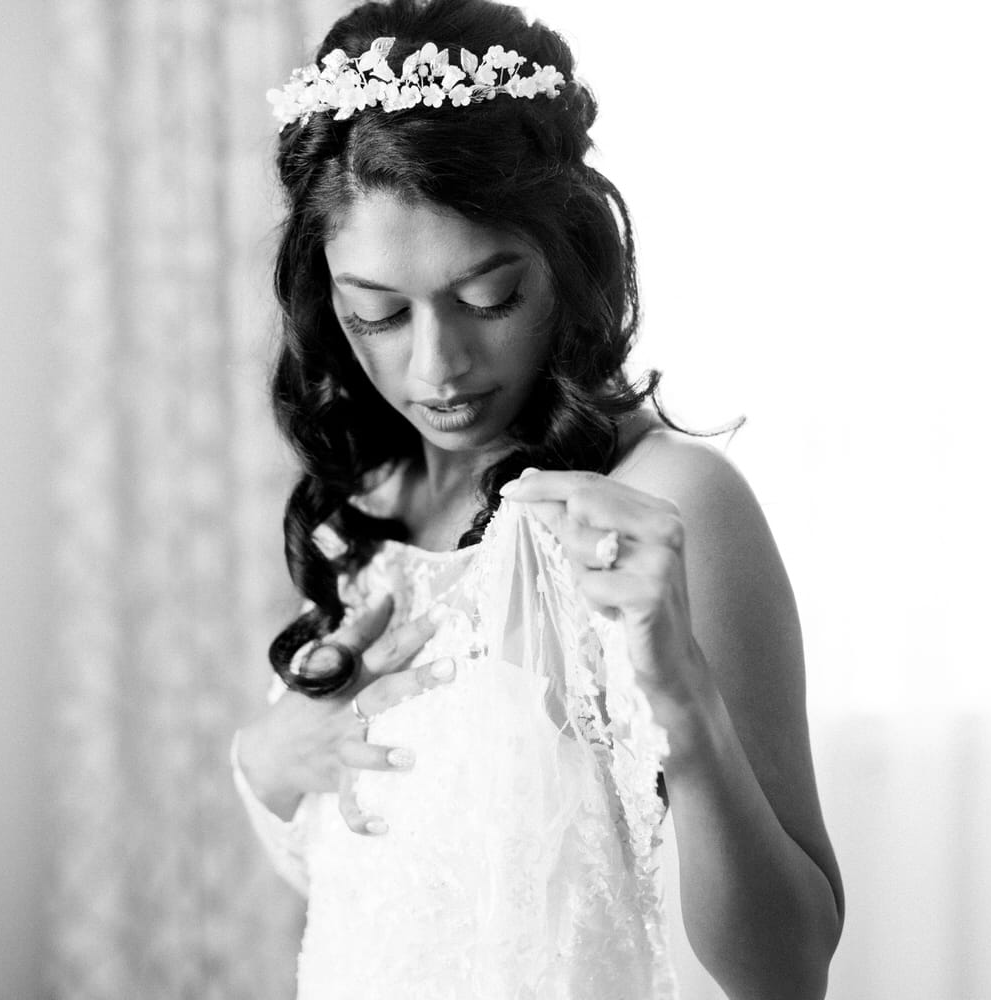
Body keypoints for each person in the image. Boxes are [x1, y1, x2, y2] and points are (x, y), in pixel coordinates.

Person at [232, 1, 843, 997]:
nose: (437, 368)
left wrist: (683, 700)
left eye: (488, 300)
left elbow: (789, 970)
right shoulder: (374, 498)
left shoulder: (672, 504)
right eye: (377, 315)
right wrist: (268, 758)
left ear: (569, 263)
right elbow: (368, 883)